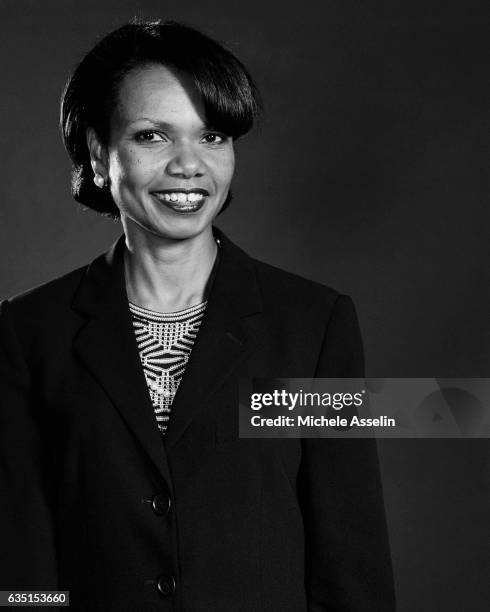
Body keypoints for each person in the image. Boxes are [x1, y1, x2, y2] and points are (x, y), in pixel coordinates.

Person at [0, 20, 395, 611]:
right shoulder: (27, 333)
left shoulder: (313, 325)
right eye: (153, 136)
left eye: (212, 137)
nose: (190, 165)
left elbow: (350, 557)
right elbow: (23, 563)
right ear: (98, 150)